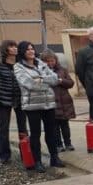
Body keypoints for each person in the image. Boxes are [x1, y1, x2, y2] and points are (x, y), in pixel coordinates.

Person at [13, 41, 62, 172]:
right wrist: (45, 81)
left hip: (48, 104)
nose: (31, 51)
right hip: (32, 106)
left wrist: (41, 79)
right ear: (22, 51)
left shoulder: (41, 63)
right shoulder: (18, 67)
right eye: (28, 49)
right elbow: (29, 84)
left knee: (51, 132)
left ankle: (54, 158)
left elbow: (55, 79)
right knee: (35, 134)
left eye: (32, 49)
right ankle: (38, 161)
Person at [40, 50, 76, 152]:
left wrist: (60, 81)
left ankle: (68, 143)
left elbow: (70, 83)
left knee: (65, 125)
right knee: (54, 126)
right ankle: (59, 144)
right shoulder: (41, 72)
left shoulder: (62, 70)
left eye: (52, 60)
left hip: (64, 102)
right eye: (48, 61)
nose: (51, 63)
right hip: (52, 102)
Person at [0, 40, 29, 164]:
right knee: (4, 128)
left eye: (15, 46)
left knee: (23, 127)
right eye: (11, 46)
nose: (15, 48)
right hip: (3, 100)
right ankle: (5, 155)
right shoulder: (0, 66)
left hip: (19, 99)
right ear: (6, 49)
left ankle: (26, 154)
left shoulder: (20, 65)